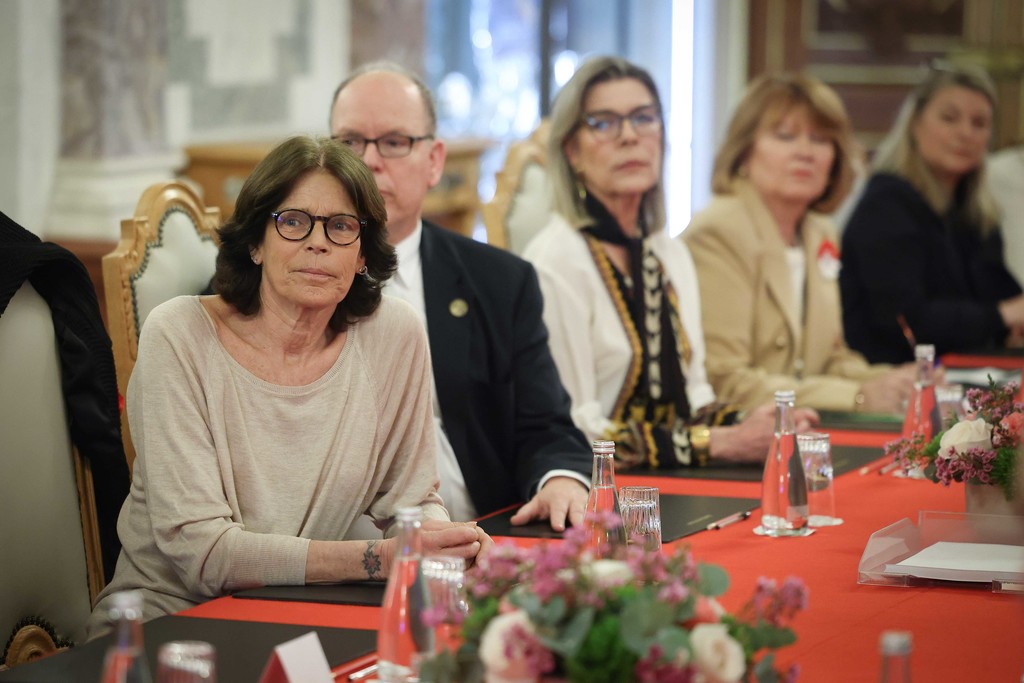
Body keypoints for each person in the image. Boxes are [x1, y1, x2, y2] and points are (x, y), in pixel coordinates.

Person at [86, 136, 489, 633]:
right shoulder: (178, 335)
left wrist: (447, 544)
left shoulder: (394, 334)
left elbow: (412, 502)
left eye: (341, 226)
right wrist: (381, 558)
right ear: (255, 243)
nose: (318, 242)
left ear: (362, 254)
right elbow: (202, 554)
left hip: (299, 615)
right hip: (167, 621)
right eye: (293, 222)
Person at [329, 62, 592, 531]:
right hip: (326, 552)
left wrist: (559, 481)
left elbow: (545, 426)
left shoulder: (500, 282)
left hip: (477, 535)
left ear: (434, 161)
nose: (368, 161)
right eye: (349, 142)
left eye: (394, 142)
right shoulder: (274, 280)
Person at [522, 56, 817, 470]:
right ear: (573, 152)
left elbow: (694, 397)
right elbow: (574, 427)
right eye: (604, 123)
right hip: (597, 486)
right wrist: (719, 442)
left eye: (644, 118)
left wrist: (751, 423)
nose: (630, 136)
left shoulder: (667, 252)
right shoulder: (555, 262)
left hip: (676, 475)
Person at [683, 73, 915, 414]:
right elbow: (724, 381)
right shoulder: (718, 232)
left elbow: (828, 361)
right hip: (743, 431)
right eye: (785, 136)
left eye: (820, 139)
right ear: (743, 152)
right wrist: (857, 396)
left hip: (803, 425)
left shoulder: (819, 232)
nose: (805, 152)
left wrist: (897, 381)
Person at [840, 63, 1024, 364]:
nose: (965, 133)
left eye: (979, 123)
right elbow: (906, 321)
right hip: (886, 376)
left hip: (962, 373)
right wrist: (1003, 316)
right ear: (915, 123)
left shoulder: (975, 212)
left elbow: (1004, 297)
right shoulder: (886, 203)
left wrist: (1011, 324)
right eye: (949, 118)